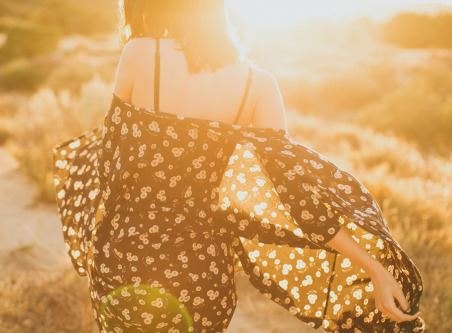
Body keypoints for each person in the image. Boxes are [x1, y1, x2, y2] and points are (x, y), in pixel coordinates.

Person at [53, 0, 425, 332]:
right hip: (200, 277)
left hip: (125, 261)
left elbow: (112, 161)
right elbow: (298, 197)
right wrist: (374, 268)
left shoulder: (138, 54)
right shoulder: (258, 85)